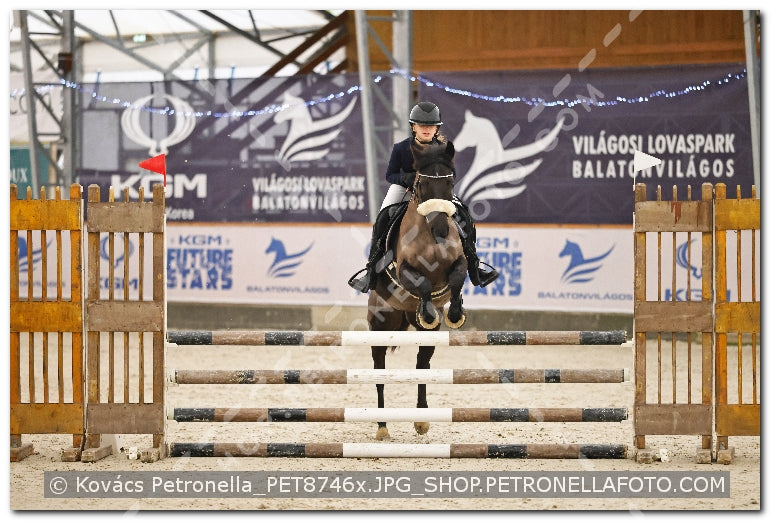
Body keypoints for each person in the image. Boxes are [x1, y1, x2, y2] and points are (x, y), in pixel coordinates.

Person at [348, 101, 499, 292]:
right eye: (422, 125)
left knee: (464, 214)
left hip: (436, 193)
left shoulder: (444, 148)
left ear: (436, 128)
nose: (426, 129)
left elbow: (452, 173)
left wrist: (439, 184)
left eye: (430, 126)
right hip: (405, 189)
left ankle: (474, 265)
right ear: (413, 127)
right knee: (383, 217)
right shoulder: (401, 148)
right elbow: (390, 175)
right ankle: (371, 271)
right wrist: (408, 178)